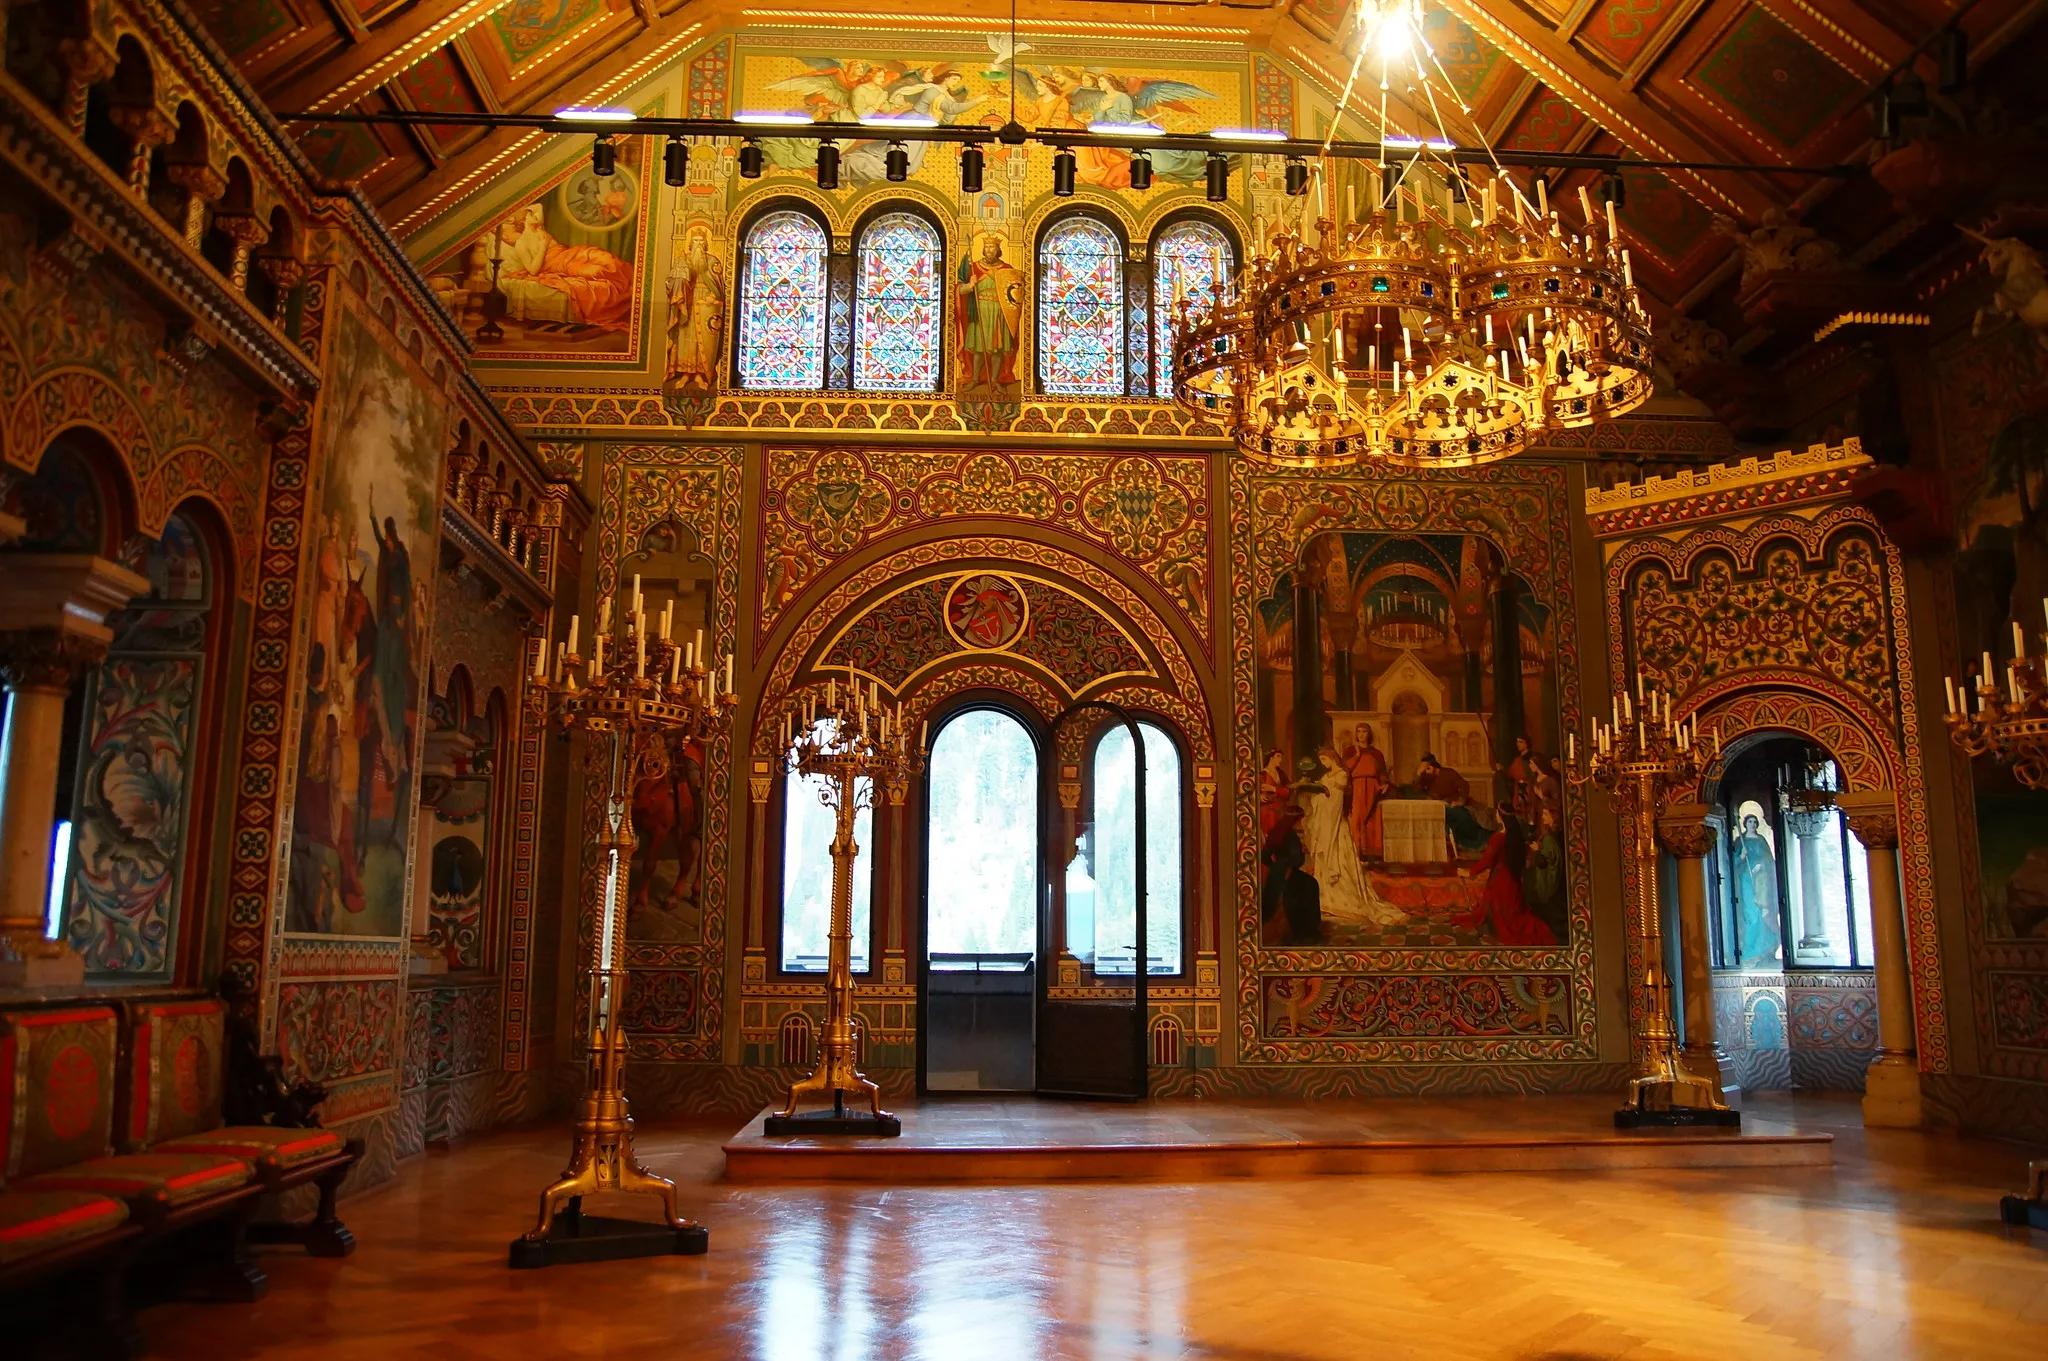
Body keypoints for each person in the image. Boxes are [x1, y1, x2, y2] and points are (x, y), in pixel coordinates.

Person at [1302, 749, 1404, 929]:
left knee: (1341, 862)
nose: (1323, 763)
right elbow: (1321, 797)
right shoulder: (1326, 776)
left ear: (1332, 758)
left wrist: (1323, 797)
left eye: (1324, 759)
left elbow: (1337, 801)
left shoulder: (1342, 775)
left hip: (1335, 825)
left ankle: (1344, 900)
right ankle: (1327, 900)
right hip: (1326, 824)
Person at [1457, 804, 1557, 946]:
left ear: (1500, 817)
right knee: (1512, 912)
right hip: (1513, 881)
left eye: (1497, 813)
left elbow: (1486, 861)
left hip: (1500, 881)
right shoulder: (1516, 836)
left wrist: (1468, 872)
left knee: (1503, 917)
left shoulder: (1498, 838)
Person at [955, 235, 1025, 395]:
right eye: (986, 247)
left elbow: (1017, 290)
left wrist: (995, 276)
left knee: (997, 349)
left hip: (999, 312)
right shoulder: (973, 268)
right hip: (979, 310)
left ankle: (995, 380)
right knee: (979, 348)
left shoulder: (1006, 269)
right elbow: (959, 290)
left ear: (998, 250)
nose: (989, 250)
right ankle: (974, 379)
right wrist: (970, 285)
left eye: (992, 247)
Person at [1260, 803, 1320, 946]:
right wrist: (1300, 855)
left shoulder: (1276, 832)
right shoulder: (1291, 835)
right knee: (1311, 884)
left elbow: (1264, 856)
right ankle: (1307, 931)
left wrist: (1276, 866)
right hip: (1289, 873)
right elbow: (1296, 859)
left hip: (1276, 873)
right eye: (1300, 820)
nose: (1300, 823)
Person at [1732, 812, 1782, 967]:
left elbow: (1769, 859)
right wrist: (1741, 856)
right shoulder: (1740, 841)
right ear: (1745, 824)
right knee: (1751, 914)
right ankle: (1749, 952)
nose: (1752, 824)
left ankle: (1764, 950)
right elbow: (1732, 862)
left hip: (1760, 881)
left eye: (1754, 822)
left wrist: (1761, 865)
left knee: (1762, 913)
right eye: (1750, 821)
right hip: (1746, 880)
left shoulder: (1761, 840)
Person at [1415, 753, 1490, 855]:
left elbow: (1464, 786)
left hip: (1454, 805)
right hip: (1439, 807)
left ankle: (1474, 843)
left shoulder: (1448, 773)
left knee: (1461, 815)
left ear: (1432, 767)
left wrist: (1460, 801)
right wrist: (1419, 776)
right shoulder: (1426, 778)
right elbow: (1418, 790)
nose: (1425, 772)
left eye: (1427, 769)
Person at [1339, 722, 1391, 859]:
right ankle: (1356, 852)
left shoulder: (1376, 753)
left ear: (1369, 734)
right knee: (1356, 818)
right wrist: (1357, 755)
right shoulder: (1349, 751)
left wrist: (1384, 784)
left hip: (1373, 787)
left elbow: (1382, 773)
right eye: (1359, 731)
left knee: (1372, 819)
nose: (1361, 735)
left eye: (1364, 731)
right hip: (1356, 787)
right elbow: (1344, 770)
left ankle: (1372, 854)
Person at [1522, 803, 1568, 943]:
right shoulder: (1554, 834)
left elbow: (1543, 862)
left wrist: (1537, 850)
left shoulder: (1550, 839)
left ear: (1553, 818)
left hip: (1550, 880)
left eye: (1545, 814)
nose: (1542, 816)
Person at [1257, 749, 1291, 838]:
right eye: (1278, 756)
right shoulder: (1262, 774)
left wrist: (1273, 789)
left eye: (1281, 757)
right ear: (1271, 758)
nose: (1280, 759)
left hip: (1280, 811)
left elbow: (1288, 791)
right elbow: (1253, 791)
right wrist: (1259, 796)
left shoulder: (1281, 774)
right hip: (1268, 812)